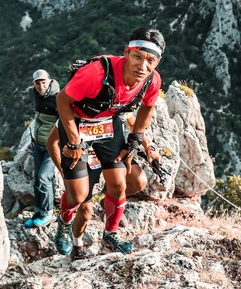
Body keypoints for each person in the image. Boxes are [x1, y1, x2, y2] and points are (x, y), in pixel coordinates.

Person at [53, 28, 165, 257]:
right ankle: (64, 222)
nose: (143, 66)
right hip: (77, 123)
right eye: (137, 57)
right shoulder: (96, 73)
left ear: (157, 62)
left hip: (108, 124)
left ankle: (110, 233)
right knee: (77, 195)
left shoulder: (152, 81)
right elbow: (62, 100)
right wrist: (74, 142)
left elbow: (147, 108)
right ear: (126, 52)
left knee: (119, 184)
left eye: (150, 61)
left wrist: (136, 139)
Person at [46, 111, 165, 260]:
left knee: (138, 181)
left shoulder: (113, 104)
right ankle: (77, 244)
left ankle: (108, 213)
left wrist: (148, 149)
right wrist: (64, 172)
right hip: (86, 159)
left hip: (110, 149)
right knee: (85, 210)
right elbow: (51, 141)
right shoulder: (77, 109)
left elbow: (134, 123)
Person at [24, 69, 60, 228]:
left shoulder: (58, 99)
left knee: (44, 177)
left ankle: (47, 213)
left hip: (52, 147)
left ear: (50, 81)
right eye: (37, 83)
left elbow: (67, 122)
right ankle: (38, 212)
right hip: (38, 144)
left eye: (43, 82)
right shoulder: (38, 94)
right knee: (37, 178)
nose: (40, 86)